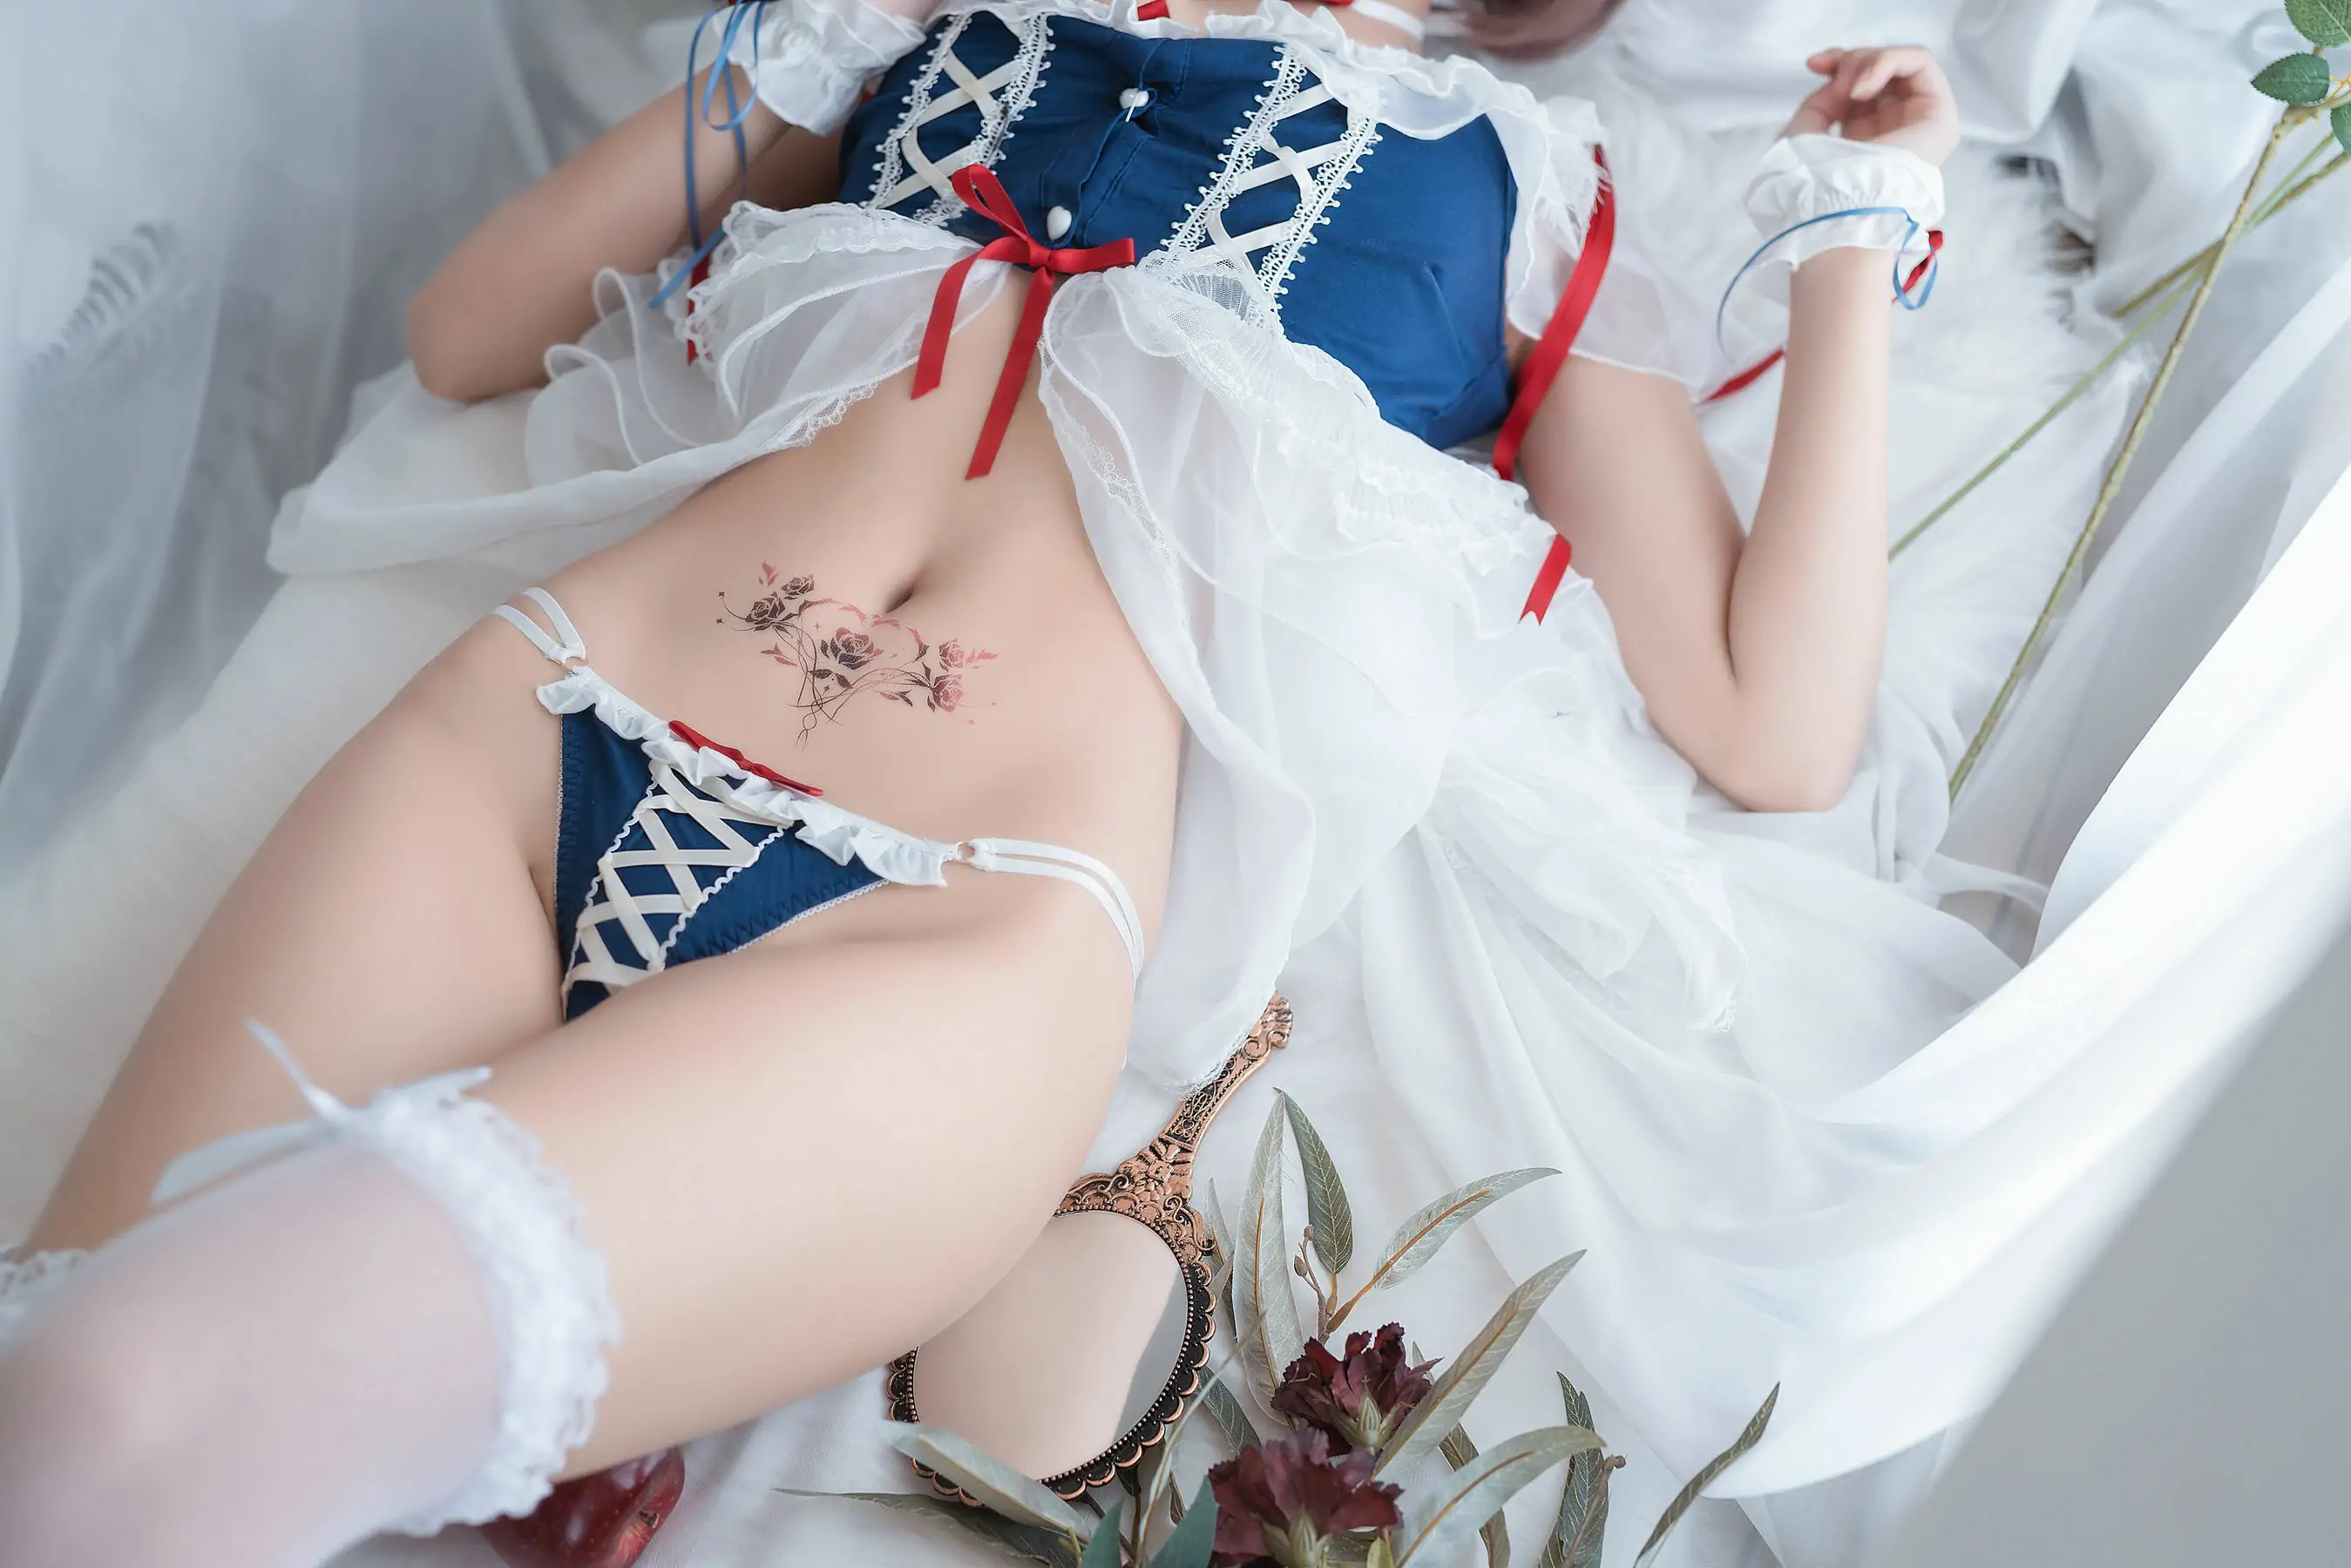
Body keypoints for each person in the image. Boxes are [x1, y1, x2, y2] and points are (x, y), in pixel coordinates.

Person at [0, 0, 1955, 1557]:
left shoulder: (1534, 190)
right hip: (523, 740)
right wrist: (813, 41)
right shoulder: (915, 31)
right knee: (46, 1405)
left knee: (117, 1412)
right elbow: (465, 332)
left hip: (948, 922)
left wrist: (1855, 239)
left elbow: (1767, 726)